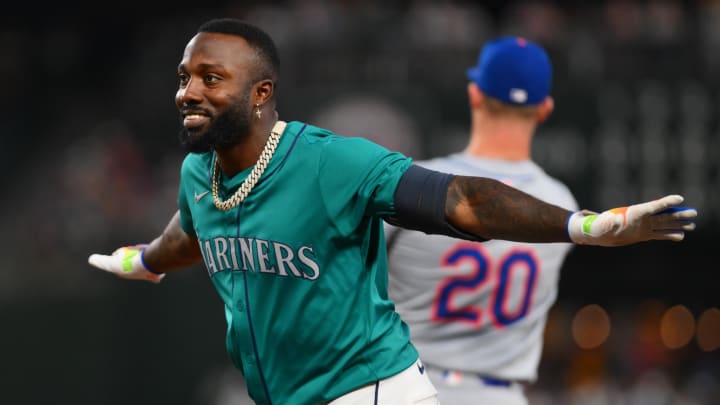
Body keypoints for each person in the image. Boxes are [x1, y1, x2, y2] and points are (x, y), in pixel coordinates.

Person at [86, 18, 697, 405]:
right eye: (185, 75)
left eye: (210, 77)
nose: (188, 90)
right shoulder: (201, 172)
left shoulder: (330, 163)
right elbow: (193, 234)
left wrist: (582, 226)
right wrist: (142, 260)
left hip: (370, 392)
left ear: (261, 93)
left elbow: (460, 199)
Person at [384, 36, 574, 405]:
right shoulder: (558, 202)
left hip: (407, 389)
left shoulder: (417, 183)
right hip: (499, 395)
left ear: (474, 94)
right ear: (545, 108)